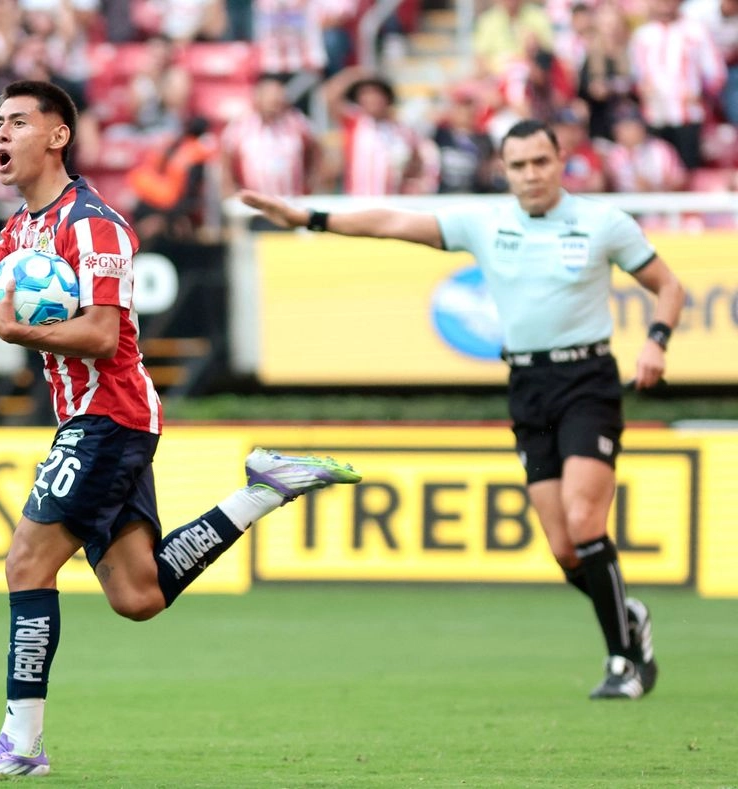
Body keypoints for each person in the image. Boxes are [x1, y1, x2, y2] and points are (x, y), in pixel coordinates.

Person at [0, 79, 362, 777]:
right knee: (138, 595)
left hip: (107, 415)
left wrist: (18, 330)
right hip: (96, 418)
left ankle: (21, 747)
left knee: (27, 561)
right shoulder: (23, 228)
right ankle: (262, 490)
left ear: (58, 135)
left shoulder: (94, 223)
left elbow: (99, 334)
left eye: (17, 122)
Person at [240, 118, 685, 701]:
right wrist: (311, 218)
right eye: (519, 165)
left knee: (584, 521)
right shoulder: (486, 222)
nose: (530, 175)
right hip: (527, 383)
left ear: (561, 160)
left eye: (541, 162)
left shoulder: (603, 222)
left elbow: (669, 286)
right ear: (505, 168)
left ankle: (624, 661)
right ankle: (629, 614)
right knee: (562, 547)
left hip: (587, 380)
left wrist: (656, 339)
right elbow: (395, 223)